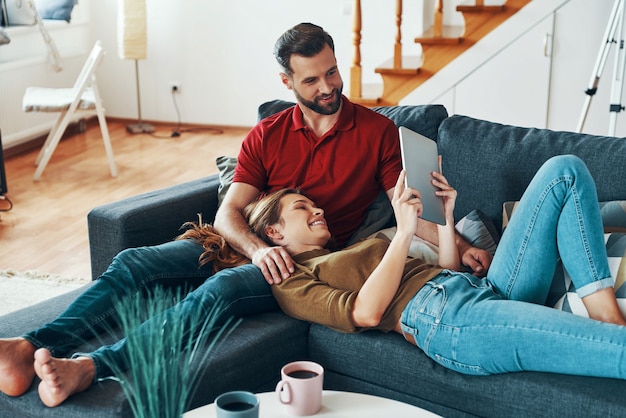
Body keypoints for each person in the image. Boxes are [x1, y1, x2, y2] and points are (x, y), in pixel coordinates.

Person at [0, 22, 490, 407]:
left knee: (218, 291)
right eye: (312, 78)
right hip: (252, 247)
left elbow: (410, 208)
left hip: (303, 262)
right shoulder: (268, 133)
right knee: (133, 263)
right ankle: (31, 345)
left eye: (332, 72)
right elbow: (228, 212)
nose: (328, 86)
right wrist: (257, 249)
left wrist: (464, 245)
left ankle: (92, 367)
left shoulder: (375, 133)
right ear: (286, 81)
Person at [247, 155, 626, 379]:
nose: (318, 209)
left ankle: (607, 314)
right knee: (616, 351)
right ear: (274, 231)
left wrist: (446, 217)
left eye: (314, 204)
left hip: (478, 290)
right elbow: (366, 312)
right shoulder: (291, 281)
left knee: (564, 170)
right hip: (449, 323)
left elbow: (447, 272)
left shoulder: (352, 248)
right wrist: (404, 232)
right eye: (302, 207)